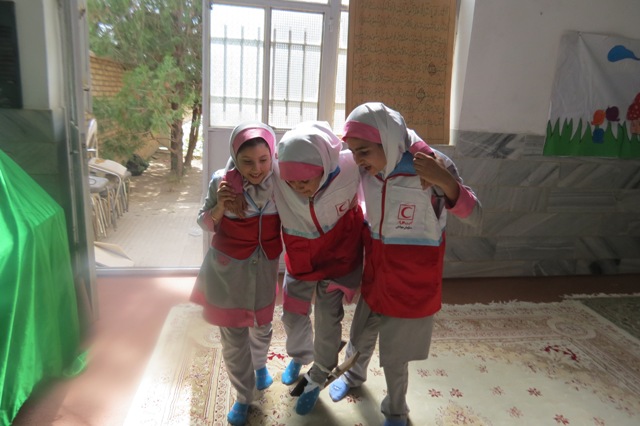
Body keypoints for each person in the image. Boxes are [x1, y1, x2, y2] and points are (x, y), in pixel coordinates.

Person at [328, 102, 482, 426]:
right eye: (353, 151)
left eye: (363, 151)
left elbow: (475, 216)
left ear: (387, 140)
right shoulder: (366, 170)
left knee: (396, 356)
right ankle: (353, 375)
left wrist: (446, 182)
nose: (357, 159)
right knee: (359, 335)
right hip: (376, 276)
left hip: (410, 283)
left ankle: (396, 409)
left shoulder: (432, 165)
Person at [190, 122, 282, 426]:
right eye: (247, 162)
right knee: (233, 338)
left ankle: (260, 365)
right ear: (234, 157)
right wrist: (220, 206)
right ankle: (243, 396)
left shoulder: (281, 182)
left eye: (263, 160)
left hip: (264, 269)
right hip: (227, 274)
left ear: (272, 155)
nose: (256, 169)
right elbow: (204, 223)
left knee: (262, 326)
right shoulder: (222, 182)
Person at [273, 121, 365, 415]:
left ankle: (320, 372)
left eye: (304, 182)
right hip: (302, 257)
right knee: (292, 312)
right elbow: (244, 163)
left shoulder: (349, 166)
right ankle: (300, 355)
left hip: (340, 256)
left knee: (328, 319)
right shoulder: (276, 173)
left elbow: (390, 152)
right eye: (291, 182)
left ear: (324, 166)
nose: (297, 188)